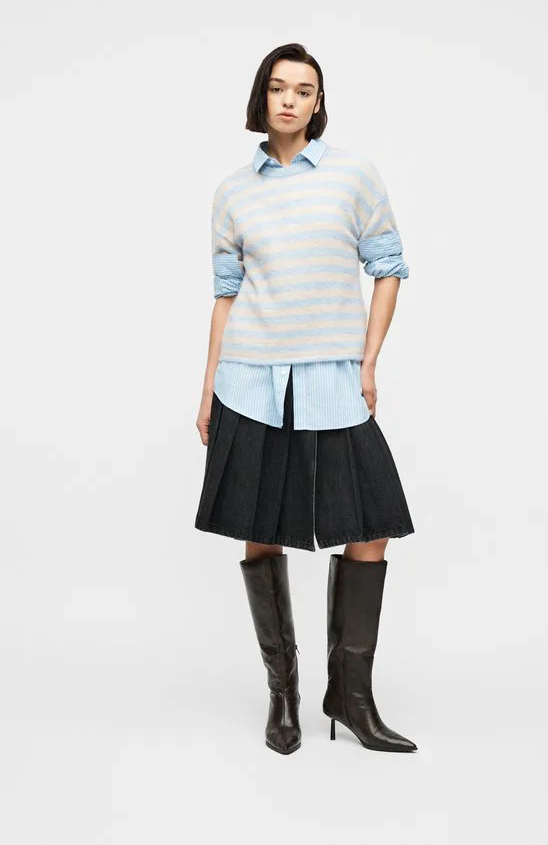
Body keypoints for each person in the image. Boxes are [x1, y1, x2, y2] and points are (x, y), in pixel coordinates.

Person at [194, 43, 418, 756]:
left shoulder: (352, 175)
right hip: (250, 378)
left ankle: (350, 695)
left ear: (319, 103)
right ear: (261, 97)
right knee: (260, 528)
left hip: (331, 378)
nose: (290, 100)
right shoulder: (233, 192)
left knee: (372, 525)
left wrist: (369, 359)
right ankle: (283, 693)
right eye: (278, 87)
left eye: (304, 90)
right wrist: (207, 388)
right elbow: (226, 296)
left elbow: (389, 267)